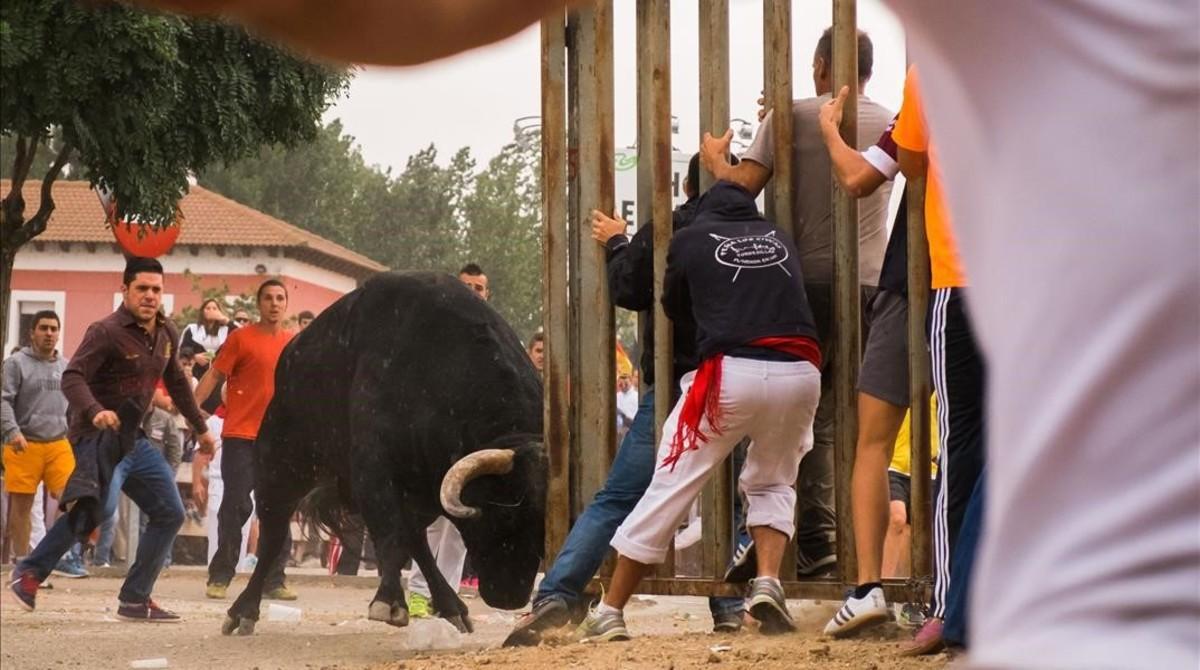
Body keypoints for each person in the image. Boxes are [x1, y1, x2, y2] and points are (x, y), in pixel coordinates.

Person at [504, 155, 746, 647]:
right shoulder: (751, 233)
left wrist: (620, 242)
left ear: (683, 183)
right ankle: (730, 606)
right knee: (725, 500)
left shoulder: (669, 227)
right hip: (729, 382)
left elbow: (629, 289)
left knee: (617, 497)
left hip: (670, 383)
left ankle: (558, 593)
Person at [575, 180, 822, 642]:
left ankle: (610, 610)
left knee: (670, 486)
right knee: (773, 480)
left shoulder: (688, 237)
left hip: (729, 375)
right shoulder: (778, 236)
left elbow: (670, 304)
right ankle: (768, 582)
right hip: (801, 371)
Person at [702, 27, 894, 577]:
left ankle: (763, 537)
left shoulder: (789, 116)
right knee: (839, 420)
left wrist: (717, 160)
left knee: (776, 406)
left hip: (797, 286)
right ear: (867, 71)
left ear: (818, 67)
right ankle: (828, 546)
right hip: (869, 284)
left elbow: (742, 188)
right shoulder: (888, 119)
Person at [8, 257, 216, 621]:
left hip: (133, 441)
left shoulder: (166, 332)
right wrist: (94, 411)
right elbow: (72, 377)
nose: (150, 296)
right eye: (142, 289)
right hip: (96, 437)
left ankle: (135, 599)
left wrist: (200, 429)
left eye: (156, 289)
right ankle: (28, 573)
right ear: (125, 290)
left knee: (170, 512)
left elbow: (179, 385)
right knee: (95, 509)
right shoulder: (105, 331)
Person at [888, 65, 988, 657]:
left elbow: (911, 160)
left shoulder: (930, 66)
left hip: (961, 280)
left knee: (962, 449)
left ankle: (952, 608)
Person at [195, 279, 295, 601]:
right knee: (236, 505)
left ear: (285, 304)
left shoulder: (292, 343)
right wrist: (192, 411)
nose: (275, 303)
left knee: (278, 508)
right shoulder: (241, 338)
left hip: (279, 440)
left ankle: (274, 580)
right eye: (269, 298)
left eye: (280, 298)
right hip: (240, 435)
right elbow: (213, 375)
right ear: (259, 303)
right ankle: (221, 575)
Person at [1, 311, 87, 578]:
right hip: (23, 442)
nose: (49, 333)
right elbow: (4, 400)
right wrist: (12, 431)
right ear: (32, 332)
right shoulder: (15, 363)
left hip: (58, 442)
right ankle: (24, 564)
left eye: (54, 329)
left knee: (76, 500)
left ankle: (60, 556)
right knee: (22, 506)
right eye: (44, 328)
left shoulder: (66, 366)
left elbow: (75, 403)